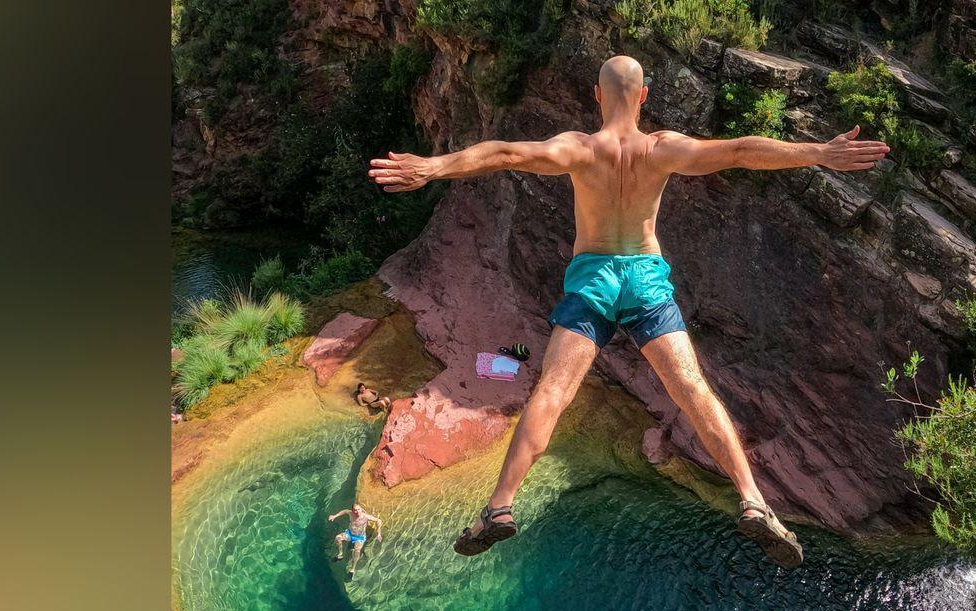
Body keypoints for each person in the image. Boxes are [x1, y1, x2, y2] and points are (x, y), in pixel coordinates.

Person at [367, 55, 890, 569]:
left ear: (597, 96)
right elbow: (739, 151)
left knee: (552, 391)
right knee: (692, 392)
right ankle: (753, 500)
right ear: (643, 97)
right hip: (644, 279)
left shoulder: (579, 148)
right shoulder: (661, 148)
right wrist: (818, 151)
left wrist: (433, 166)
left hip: (592, 279)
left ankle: (499, 507)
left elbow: (504, 152)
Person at [328, 503, 383, 578]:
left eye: (358, 509)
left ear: (361, 509)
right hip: (349, 534)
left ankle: (352, 570)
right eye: (355, 510)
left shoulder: (365, 517)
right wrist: (335, 516)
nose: (357, 512)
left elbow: (378, 520)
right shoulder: (350, 513)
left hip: (359, 537)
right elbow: (344, 511)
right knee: (338, 537)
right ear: (353, 511)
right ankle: (340, 554)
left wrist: (379, 533)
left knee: (356, 551)